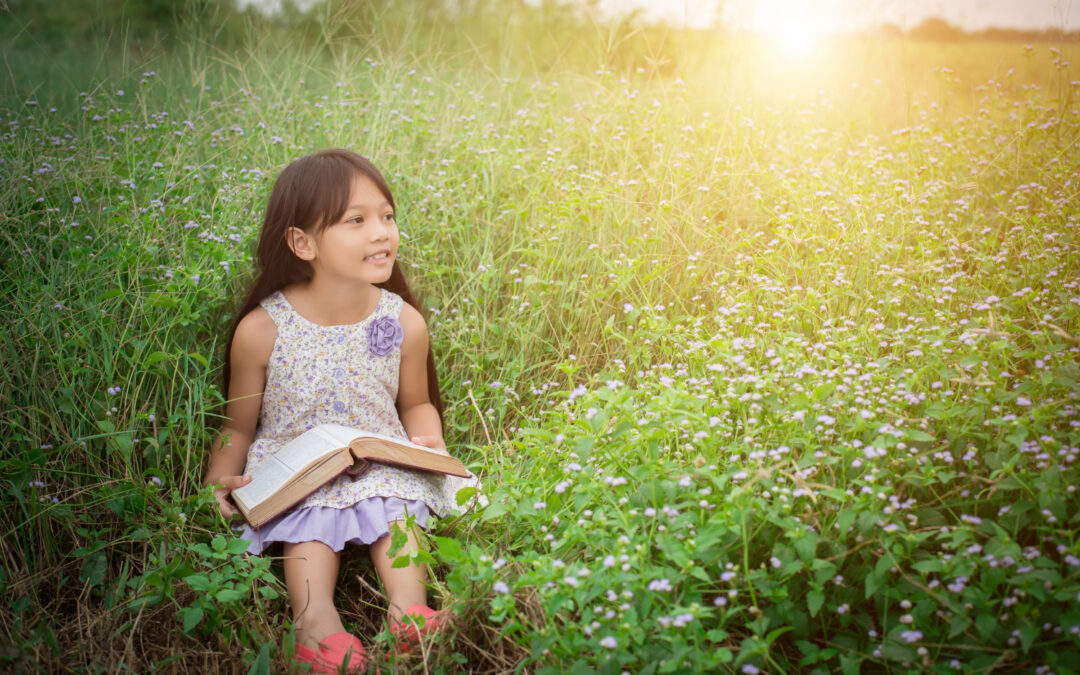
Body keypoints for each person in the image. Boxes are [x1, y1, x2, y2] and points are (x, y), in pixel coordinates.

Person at [202, 149, 479, 673]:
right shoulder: (263, 330)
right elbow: (237, 425)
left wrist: (430, 442)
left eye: (387, 216)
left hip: (379, 457)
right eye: (356, 220)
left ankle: (409, 612)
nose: (382, 233)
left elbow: (416, 402)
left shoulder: (402, 322)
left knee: (399, 510)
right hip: (297, 463)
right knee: (307, 519)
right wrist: (218, 479)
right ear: (302, 242)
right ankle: (315, 624)